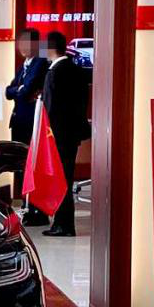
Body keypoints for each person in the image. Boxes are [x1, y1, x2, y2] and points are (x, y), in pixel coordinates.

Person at [40, 30, 91, 237]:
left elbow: (50, 108)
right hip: (72, 135)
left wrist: (46, 134)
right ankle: (64, 223)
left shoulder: (55, 72)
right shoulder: (77, 71)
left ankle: (63, 224)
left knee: (60, 180)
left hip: (57, 136)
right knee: (67, 179)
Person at [5, 28, 51, 224]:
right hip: (20, 121)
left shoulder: (40, 63)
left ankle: (35, 209)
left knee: (33, 166)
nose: (23, 47)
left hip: (32, 122)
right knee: (22, 166)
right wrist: (19, 89)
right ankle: (27, 205)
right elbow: (8, 91)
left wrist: (19, 90)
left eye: (27, 43)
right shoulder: (23, 65)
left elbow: (26, 90)